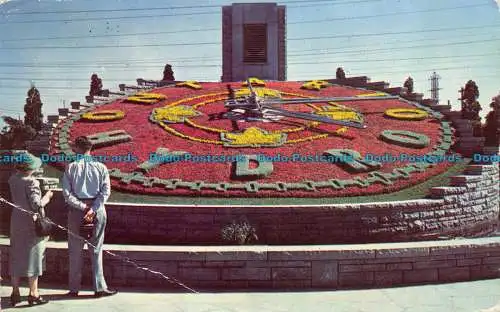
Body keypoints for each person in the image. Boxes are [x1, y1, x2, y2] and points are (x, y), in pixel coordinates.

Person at [62, 136, 117, 298]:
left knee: (74, 251)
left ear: (77, 148)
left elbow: (67, 195)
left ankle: (74, 289)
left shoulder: (70, 168)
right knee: (96, 249)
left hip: (76, 212)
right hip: (97, 210)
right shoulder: (101, 167)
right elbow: (106, 192)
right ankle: (99, 288)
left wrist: (83, 207)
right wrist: (93, 209)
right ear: (90, 149)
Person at [8, 152, 53, 306]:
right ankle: (33, 294)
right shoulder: (32, 182)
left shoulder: (13, 179)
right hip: (30, 223)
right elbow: (36, 205)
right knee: (33, 257)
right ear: (30, 167)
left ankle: (15, 292)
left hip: (16, 221)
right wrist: (47, 197)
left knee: (16, 255)